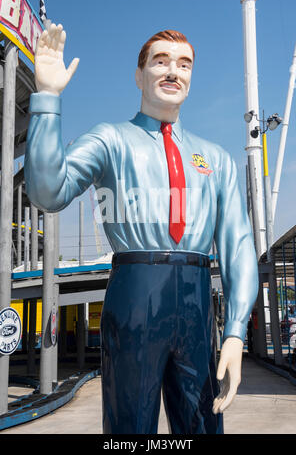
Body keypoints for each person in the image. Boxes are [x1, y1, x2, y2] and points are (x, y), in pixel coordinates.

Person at [24, 23, 259, 434]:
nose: (174, 71)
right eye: (161, 61)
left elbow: (238, 245)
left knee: (204, 422)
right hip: (135, 293)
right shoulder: (110, 141)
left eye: (184, 64)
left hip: (197, 299)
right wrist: (47, 97)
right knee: (129, 427)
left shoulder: (216, 160)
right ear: (139, 75)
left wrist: (236, 331)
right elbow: (48, 191)